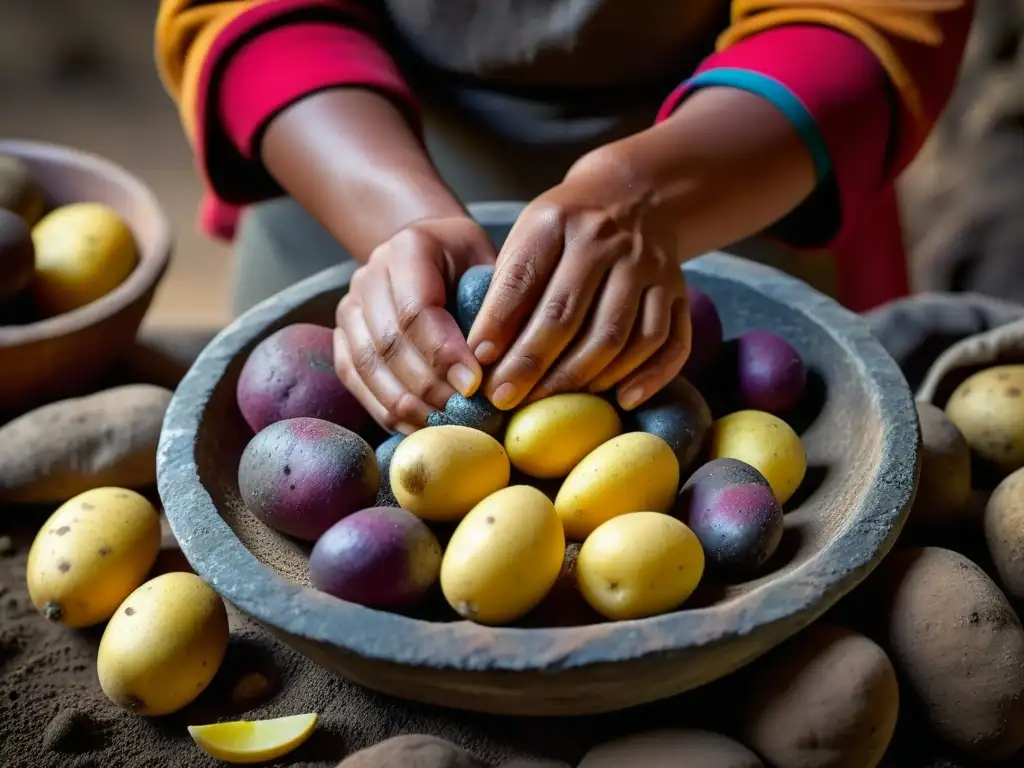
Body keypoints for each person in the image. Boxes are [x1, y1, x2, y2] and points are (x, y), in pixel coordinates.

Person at [155, 0, 972, 434]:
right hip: (350, 169)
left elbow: (867, 11)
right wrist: (401, 221)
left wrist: (649, 190)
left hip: (731, 182)